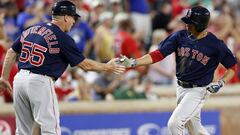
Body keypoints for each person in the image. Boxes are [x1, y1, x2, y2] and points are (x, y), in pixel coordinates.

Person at [0, 1, 125, 135]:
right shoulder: (62, 37)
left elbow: (11, 52)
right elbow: (85, 65)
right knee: (50, 130)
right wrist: (107, 67)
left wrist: (4, 77)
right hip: (40, 81)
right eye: (73, 17)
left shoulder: (33, 28)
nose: (73, 21)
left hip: (19, 80)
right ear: (66, 17)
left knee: (23, 132)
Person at [118, 6, 237, 135]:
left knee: (174, 124)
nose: (186, 24)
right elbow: (158, 54)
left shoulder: (215, 44)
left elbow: (232, 66)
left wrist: (221, 82)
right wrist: (134, 62)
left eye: (190, 23)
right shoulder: (179, 36)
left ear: (200, 25)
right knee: (195, 130)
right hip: (180, 86)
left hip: (198, 90)